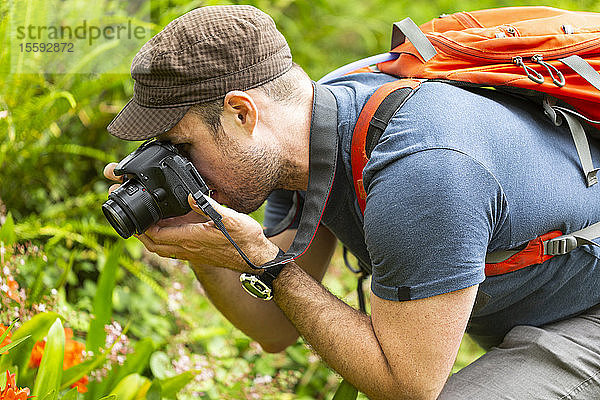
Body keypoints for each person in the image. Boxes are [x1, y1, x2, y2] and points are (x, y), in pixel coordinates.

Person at [103, 5, 600, 399]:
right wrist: (200, 243)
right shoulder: (303, 144)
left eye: (181, 147)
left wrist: (269, 265)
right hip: (544, 309)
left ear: (241, 113)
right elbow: (275, 329)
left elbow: (406, 386)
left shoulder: (420, 167)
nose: (174, 165)